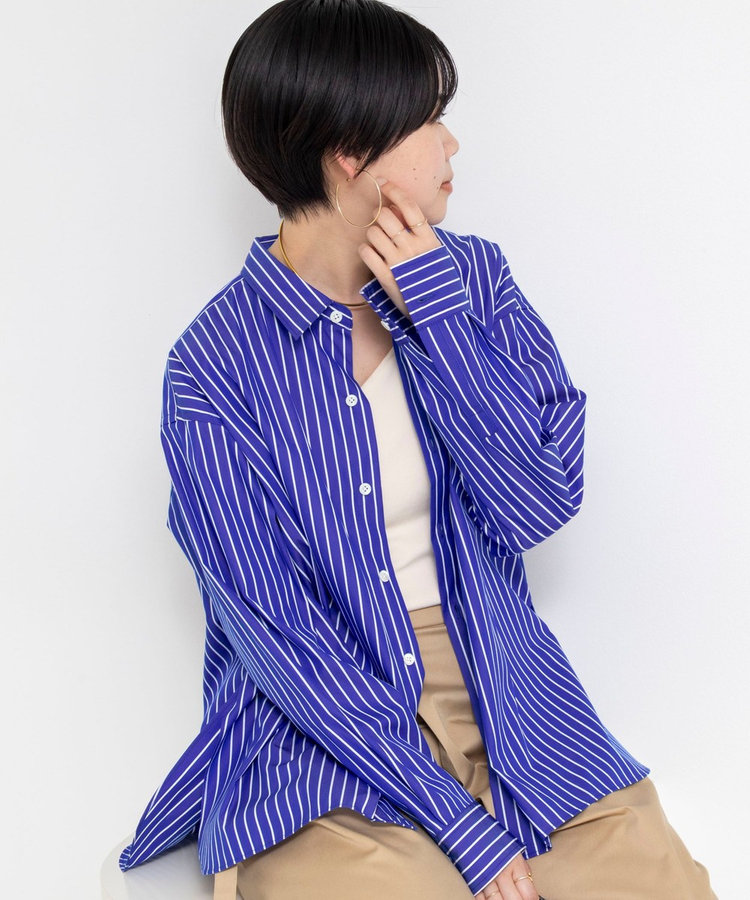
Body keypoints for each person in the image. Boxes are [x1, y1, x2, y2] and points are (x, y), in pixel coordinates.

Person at [119, 1, 718, 898]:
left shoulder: (473, 279)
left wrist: (438, 318)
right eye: (430, 119)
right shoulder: (213, 367)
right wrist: (460, 828)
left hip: (506, 688)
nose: (452, 144)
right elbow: (281, 635)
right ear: (349, 152)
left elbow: (539, 504)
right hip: (321, 725)